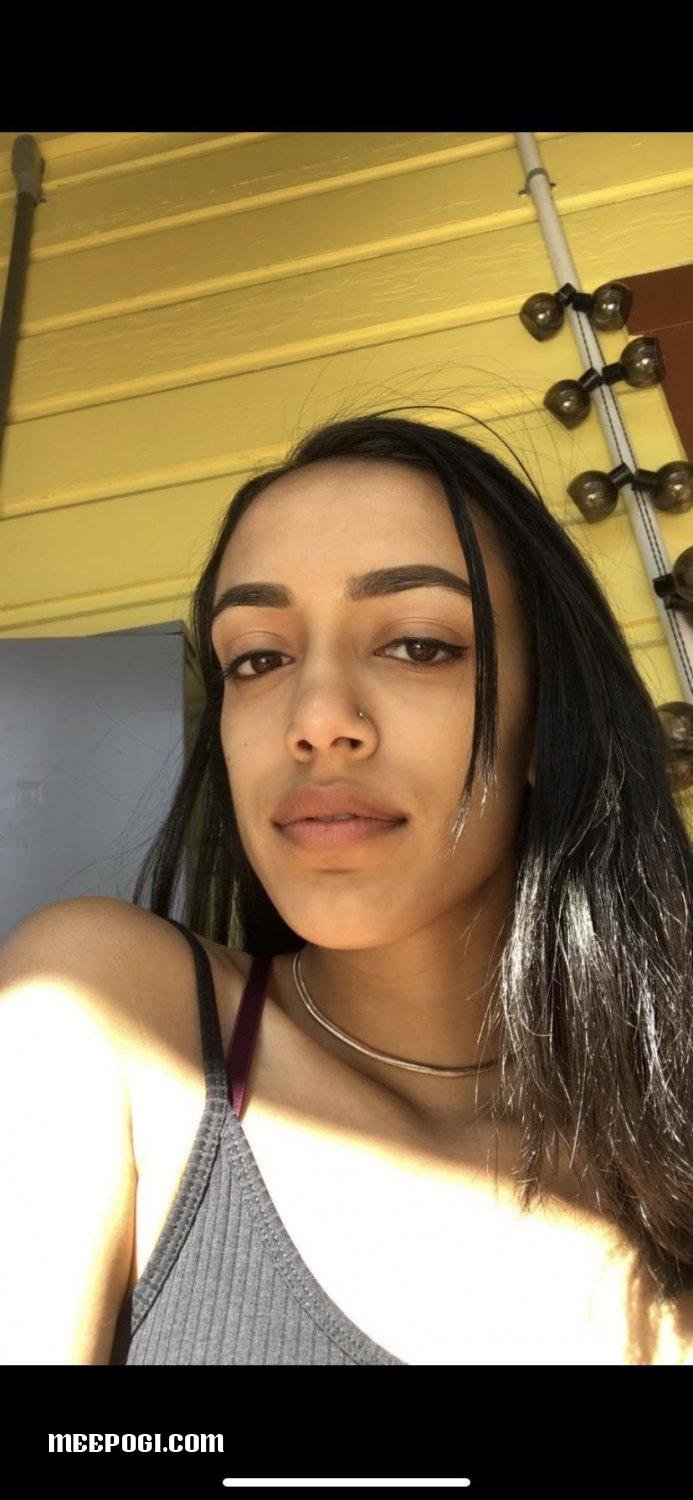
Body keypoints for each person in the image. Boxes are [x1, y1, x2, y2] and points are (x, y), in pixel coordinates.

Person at [1, 409, 691, 1365]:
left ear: (546, 719)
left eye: (416, 644)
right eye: (258, 659)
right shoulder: (97, 1012)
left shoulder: (667, 1130)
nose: (317, 717)